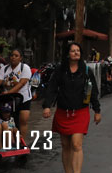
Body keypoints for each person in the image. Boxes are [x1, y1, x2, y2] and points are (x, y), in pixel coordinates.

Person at [41, 42, 102, 173]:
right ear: (68, 54)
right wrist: (47, 106)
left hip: (80, 112)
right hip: (63, 112)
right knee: (66, 145)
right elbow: (52, 88)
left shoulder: (86, 71)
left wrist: (97, 110)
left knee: (76, 144)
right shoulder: (60, 70)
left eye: (78, 51)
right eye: (73, 51)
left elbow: (94, 91)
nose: (76, 53)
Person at [0, 48, 33, 148]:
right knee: (11, 121)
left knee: (23, 120)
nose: (13, 57)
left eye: (16, 55)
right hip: (9, 100)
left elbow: (22, 83)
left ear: (20, 58)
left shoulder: (25, 68)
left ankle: (22, 142)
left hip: (23, 98)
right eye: (12, 55)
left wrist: (9, 93)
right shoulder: (5, 69)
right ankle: (13, 141)